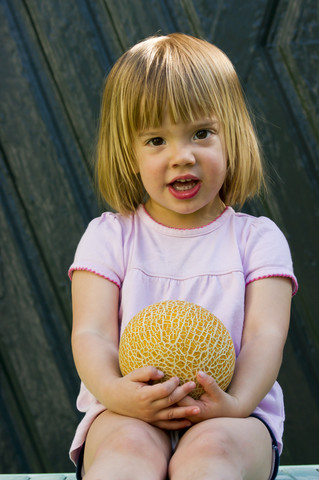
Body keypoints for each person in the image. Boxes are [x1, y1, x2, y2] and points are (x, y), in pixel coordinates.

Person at [69, 33, 298, 480]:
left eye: (201, 133)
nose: (182, 156)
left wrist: (235, 403)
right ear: (128, 153)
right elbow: (92, 333)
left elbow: (263, 339)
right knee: (126, 450)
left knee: (211, 454)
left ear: (231, 136)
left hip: (236, 416)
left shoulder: (258, 240)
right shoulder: (109, 237)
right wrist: (118, 394)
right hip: (127, 410)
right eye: (156, 140)